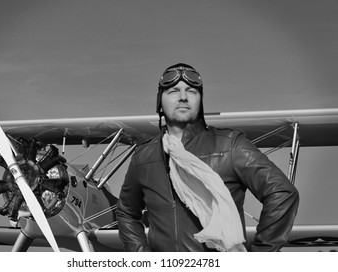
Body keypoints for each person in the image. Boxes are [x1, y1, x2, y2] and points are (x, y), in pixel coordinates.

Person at [116, 63, 299, 252]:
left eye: (191, 91)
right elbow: (126, 213)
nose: (183, 97)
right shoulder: (143, 157)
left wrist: (259, 257)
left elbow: (282, 193)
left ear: (200, 100)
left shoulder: (230, 145)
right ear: (159, 101)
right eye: (173, 91)